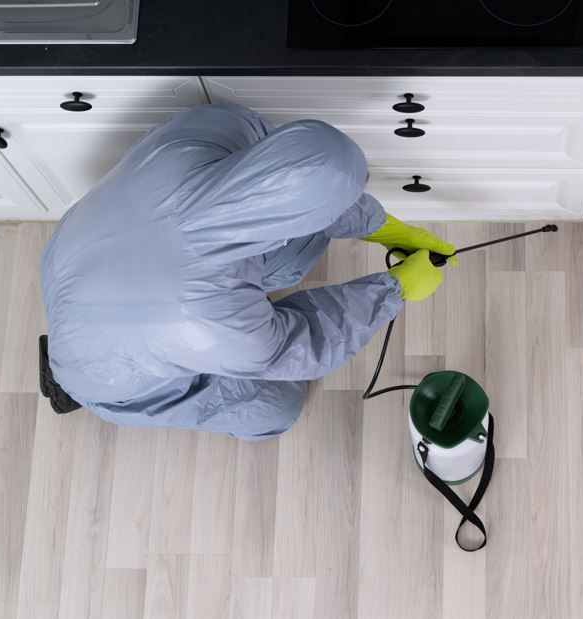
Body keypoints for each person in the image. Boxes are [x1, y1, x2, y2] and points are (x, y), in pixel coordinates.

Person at [39, 103, 455, 440]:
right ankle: (71, 386)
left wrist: (381, 226)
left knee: (303, 247)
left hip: (72, 258)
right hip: (110, 377)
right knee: (277, 406)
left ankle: (100, 342)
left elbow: (287, 181)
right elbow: (306, 344)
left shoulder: (217, 123)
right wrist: (393, 289)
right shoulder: (209, 322)